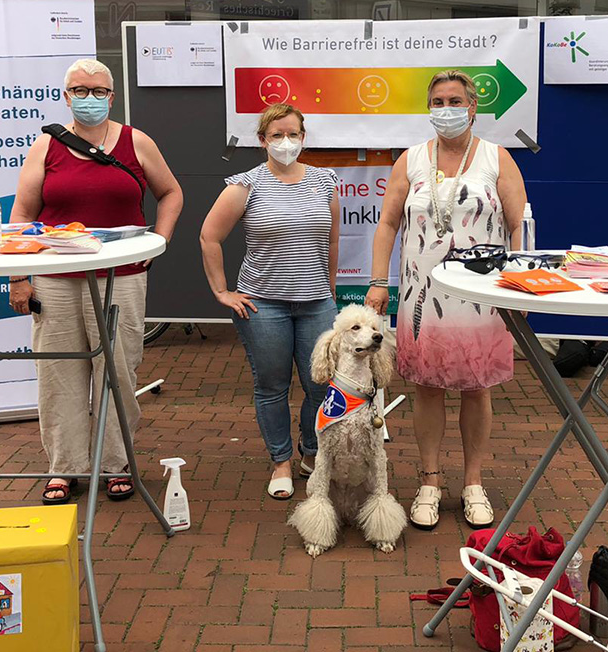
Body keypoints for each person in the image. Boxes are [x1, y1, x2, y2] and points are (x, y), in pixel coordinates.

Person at [9, 58, 184, 505]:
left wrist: (158, 243)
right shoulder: (45, 146)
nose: (90, 98)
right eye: (80, 90)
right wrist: (18, 277)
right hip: (55, 278)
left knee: (118, 371)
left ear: (112, 94)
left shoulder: (135, 142)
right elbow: (23, 214)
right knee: (59, 373)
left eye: (99, 90)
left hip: (120, 277)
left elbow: (171, 192)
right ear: (66, 96)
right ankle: (64, 466)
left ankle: (115, 463)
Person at [366, 70, 527, 530]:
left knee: (477, 387)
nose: (446, 108)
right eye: (437, 101)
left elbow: (520, 227)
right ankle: (430, 481)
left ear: (473, 106)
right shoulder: (411, 160)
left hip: (482, 296)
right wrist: (379, 281)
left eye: (455, 100)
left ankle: (473, 483)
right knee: (427, 387)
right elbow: (387, 225)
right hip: (423, 296)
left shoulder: (498, 159)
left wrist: (519, 285)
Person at [200, 104, 339, 501]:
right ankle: (281, 462)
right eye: (276, 135)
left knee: (321, 386)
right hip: (263, 305)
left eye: (293, 134)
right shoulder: (245, 185)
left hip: (316, 303)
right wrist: (222, 292)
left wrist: (328, 289)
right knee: (273, 386)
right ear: (262, 140)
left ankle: (311, 453)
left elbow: (331, 240)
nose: (285, 142)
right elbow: (209, 237)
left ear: (303, 137)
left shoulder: (324, 181)